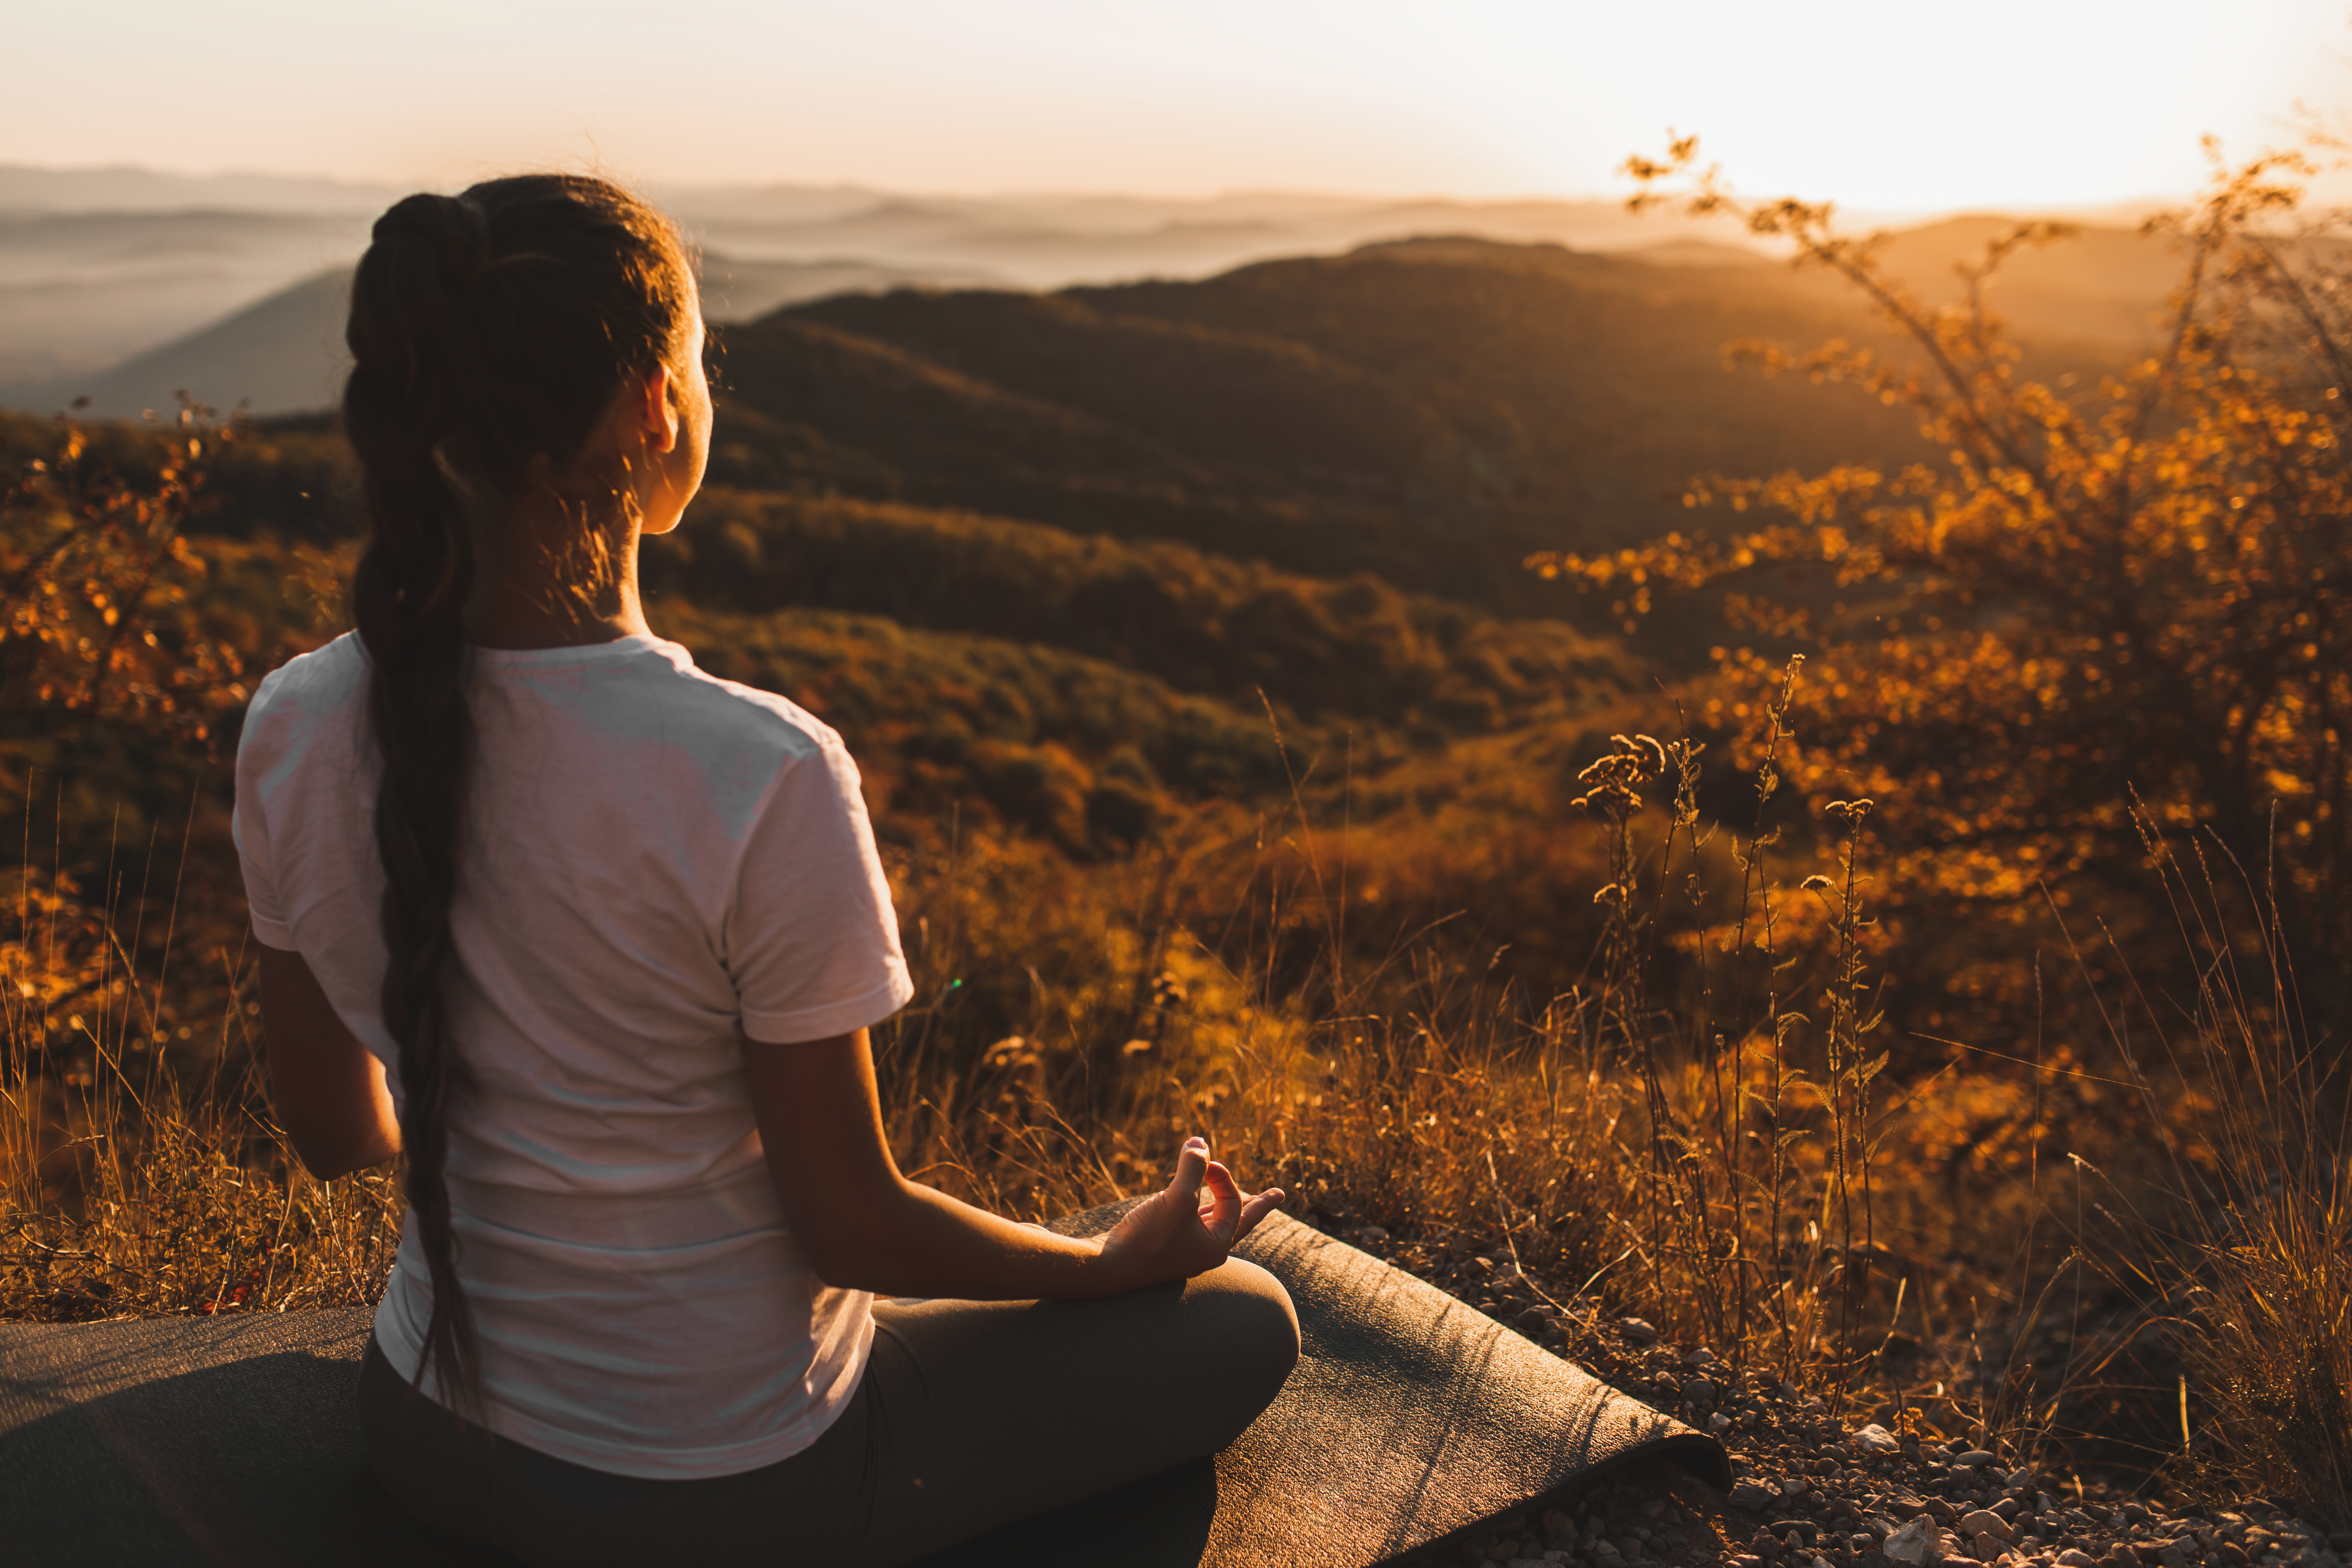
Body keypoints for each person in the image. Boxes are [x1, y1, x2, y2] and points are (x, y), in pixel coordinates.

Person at [231, 174, 1298, 1568]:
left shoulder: (294, 722)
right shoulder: (758, 771)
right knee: (1248, 1321)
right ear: (650, 410)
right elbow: (852, 1225)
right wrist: (1113, 1264)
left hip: (427, 1435)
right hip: (723, 1491)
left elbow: (335, 1129)